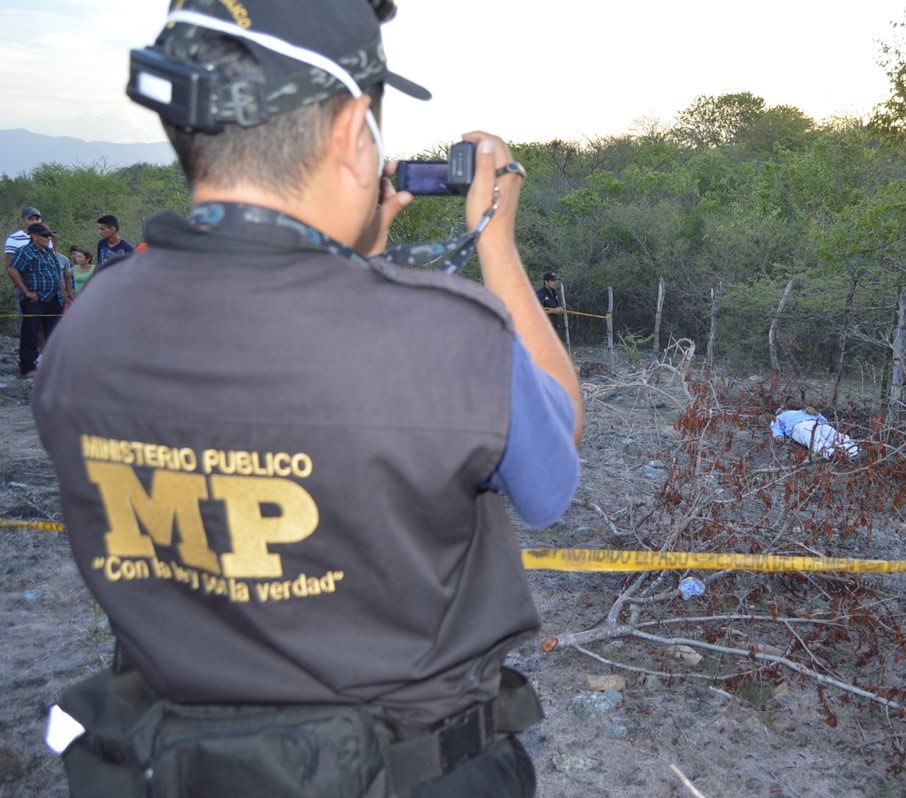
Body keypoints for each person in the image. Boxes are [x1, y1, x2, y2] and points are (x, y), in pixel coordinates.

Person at [33, 2, 582, 797]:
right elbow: (553, 471)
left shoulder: (86, 327)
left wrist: (359, 264)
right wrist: (496, 243)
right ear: (353, 131)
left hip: (179, 767)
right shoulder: (446, 337)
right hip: (408, 773)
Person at [7, 221, 64, 377]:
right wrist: (26, 292)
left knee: (53, 332)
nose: (49, 238)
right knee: (31, 332)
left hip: (54, 298)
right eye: (45, 235)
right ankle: (28, 367)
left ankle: (49, 363)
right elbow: (12, 269)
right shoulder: (25, 251)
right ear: (34, 236)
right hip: (35, 299)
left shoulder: (49, 251)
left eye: (50, 235)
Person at [770, 406, 860, 459]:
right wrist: (778, 436)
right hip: (798, 427)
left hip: (816, 423)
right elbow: (775, 428)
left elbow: (825, 422)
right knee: (814, 439)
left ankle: (855, 451)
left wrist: (816, 414)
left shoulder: (802, 411)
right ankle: (832, 455)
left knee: (833, 434)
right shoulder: (778, 418)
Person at [5, 207, 42, 335]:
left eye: (37, 218)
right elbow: (9, 265)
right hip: (25, 285)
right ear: (23, 220)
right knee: (27, 321)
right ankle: (27, 352)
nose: (34, 221)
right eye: (30, 219)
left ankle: (43, 352)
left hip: (44, 287)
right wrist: (23, 289)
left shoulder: (45, 237)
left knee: (43, 322)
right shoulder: (14, 238)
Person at [536, 271, 566, 339]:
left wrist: (560, 310)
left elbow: (555, 308)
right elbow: (537, 311)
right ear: (546, 282)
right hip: (544, 329)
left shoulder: (554, 293)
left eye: (555, 280)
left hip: (554, 328)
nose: (555, 282)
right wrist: (554, 311)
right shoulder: (540, 294)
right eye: (552, 281)